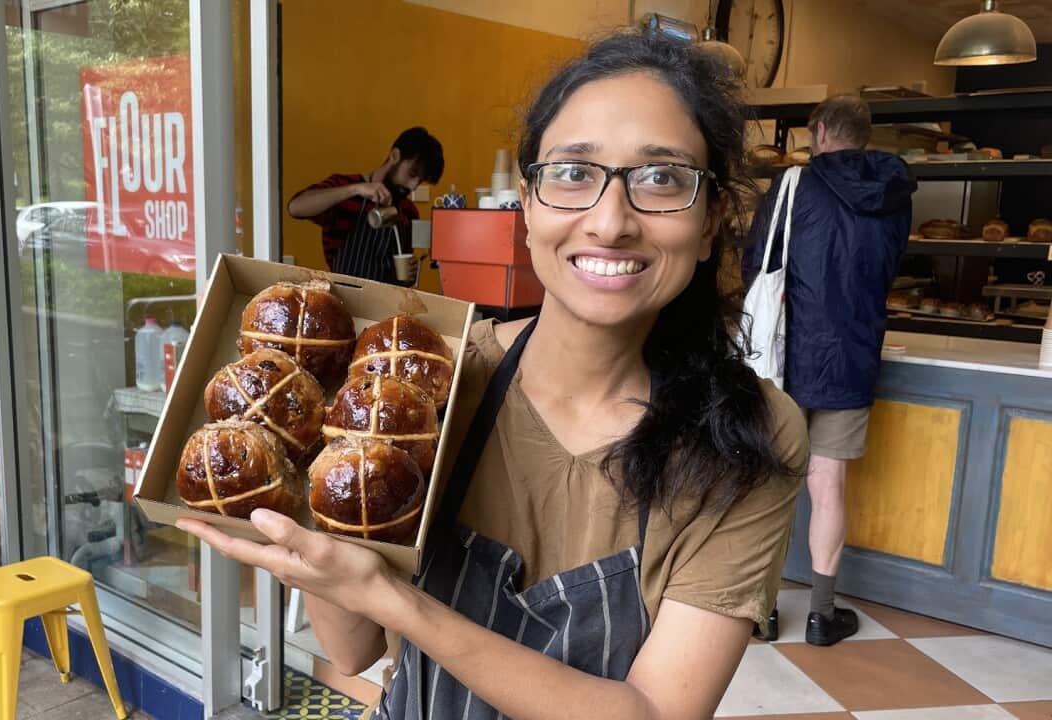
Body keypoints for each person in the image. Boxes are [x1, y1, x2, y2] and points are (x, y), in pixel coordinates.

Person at [181, 31, 807, 719]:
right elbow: (355, 649)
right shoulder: (428, 386)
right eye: (573, 172)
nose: (609, 221)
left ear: (713, 217)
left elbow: (655, 713)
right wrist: (308, 514)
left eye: (662, 178)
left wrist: (401, 605)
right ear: (528, 204)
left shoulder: (749, 439)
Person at [742, 95, 914, 646]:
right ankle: (821, 615)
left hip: (786, 358)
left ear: (817, 131)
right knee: (829, 485)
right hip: (855, 354)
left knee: (772, 483)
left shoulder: (795, 185)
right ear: (866, 136)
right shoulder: (896, 192)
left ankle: (763, 613)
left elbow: (758, 263)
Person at [287, 127, 444, 284]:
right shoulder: (344, 188)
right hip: (345, 299)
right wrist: (355, 189)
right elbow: (295, 207)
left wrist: (408, 273)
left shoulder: (408, 211)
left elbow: (402, 268)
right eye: (412, 174)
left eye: (420, 180)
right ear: (395, 156)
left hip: (386, 303)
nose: (413, 186)